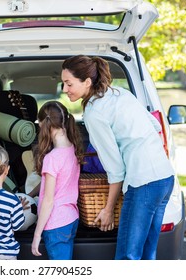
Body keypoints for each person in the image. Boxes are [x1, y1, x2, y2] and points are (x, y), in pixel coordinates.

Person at [61, 55, 175, 260]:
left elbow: (115, 169)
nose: (64, 89)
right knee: (148, 254)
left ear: (87, 82)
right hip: (165, 178)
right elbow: (155, 126)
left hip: (143, 183)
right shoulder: (120, 93)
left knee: (127, 257)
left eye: (68, 83)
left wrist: (107, 209)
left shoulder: (94, 112)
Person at [31, 101, 84, 260]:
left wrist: (37, 234)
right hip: (71, 217)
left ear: (43, 124)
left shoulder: (52, 158)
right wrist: (30, 193)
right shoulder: (73, 149)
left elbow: (48, 200)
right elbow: (55, 184)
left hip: (55, 223)